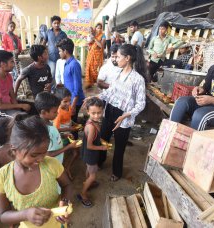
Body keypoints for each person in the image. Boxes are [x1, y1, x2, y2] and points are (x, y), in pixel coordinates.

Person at [0, 116, 73, 227]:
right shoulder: (2, 177)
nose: (41, 159)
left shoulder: (51, 165)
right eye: (34, 155)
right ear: (14, 150)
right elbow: (3, 215)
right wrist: (25, 214)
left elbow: (67, 184)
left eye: (44, 153)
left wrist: (64, 201)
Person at [91, 44, 146, 182]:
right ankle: (100, 161)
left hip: (124, 116)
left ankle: (117, 171)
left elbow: (141, 104)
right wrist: (97, 97)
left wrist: (127, 115)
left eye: (119, 57)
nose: (116, 59)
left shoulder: (138, 79)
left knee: (119, 147)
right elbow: (110, 91)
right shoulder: (117, 73)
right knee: (103, 138)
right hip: (110, 110)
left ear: (127, 58)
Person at [77, 97, 107, 208]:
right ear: (88, 111)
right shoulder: (92, 126)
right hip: (91, 154)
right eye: (93, 113)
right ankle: (83, 193)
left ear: (102, 111)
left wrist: (100, 141)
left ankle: (87, 182)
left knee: (89, 171)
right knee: (93, 175)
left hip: (87, 154)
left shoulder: (91, 121)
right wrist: (101, 148)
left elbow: (92, 140)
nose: (96, 115)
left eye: (99, 113)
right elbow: (90, 145)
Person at [35, 91, 77, 166]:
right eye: (55, 112)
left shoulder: (49, 122)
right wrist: (68, 147)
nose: (57, 113)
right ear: (44, 112)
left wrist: (63, 136)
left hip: (57, 160)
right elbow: (48, 154)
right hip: (51, 164)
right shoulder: (44, 131)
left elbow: (54, 135)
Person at [0, 50, 31, 116]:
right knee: (23, 118)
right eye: (11, 62)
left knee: (30, 109)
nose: (14, 64)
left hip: (8, 104)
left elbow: (12, 95)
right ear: (3, 64)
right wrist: (21, 106)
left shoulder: (8, 75)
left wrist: (18, 108)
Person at [53, 87, 80, 180]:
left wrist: (73, 123)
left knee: (76, 153)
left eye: (69, 101)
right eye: (65, 101)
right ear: (58, 101)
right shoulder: (58, 113)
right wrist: (69, 129)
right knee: (62, 155)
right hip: (62, 137)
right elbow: (55, 129)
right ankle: (61, 173)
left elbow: (68, 119)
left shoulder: (67, 107)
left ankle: (67, 168)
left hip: (69, 134)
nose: (68, 104)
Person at [57, 38, 85, 126]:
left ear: (65, 51)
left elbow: (78, 86)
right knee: (69, 122)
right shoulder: (66, 63)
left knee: (72, 123)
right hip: (70, 99)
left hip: (74, 100)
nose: (59, 53)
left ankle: (75, 139)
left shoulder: (74, 65)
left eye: (60, 51)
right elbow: (71, 82)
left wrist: (73, 105)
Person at [43, 16, 68, 81]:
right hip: (51, 57)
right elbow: (44, 42)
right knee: (52, 73)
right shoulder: (48, 32)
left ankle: (60, 88)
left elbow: (65, 45)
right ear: (52, 24)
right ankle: (52, 90)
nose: (56, 25)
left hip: (61, 58)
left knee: (61, 74)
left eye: (58, 23)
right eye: (55, 23)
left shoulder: (63, 34)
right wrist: (44, 52)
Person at [85, 23, 106, 88]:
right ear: (95, 28)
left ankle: (98, 82)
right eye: (97, 28)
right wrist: (88, 45)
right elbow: (89, 44)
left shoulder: (103, 35)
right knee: (88, 68)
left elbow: (101, 46)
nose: (99, 29)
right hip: (91, 54)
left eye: (100, 28)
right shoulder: (93, 34)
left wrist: (94, 39)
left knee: (95, 70)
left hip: (98, 55)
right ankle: (90, 83)